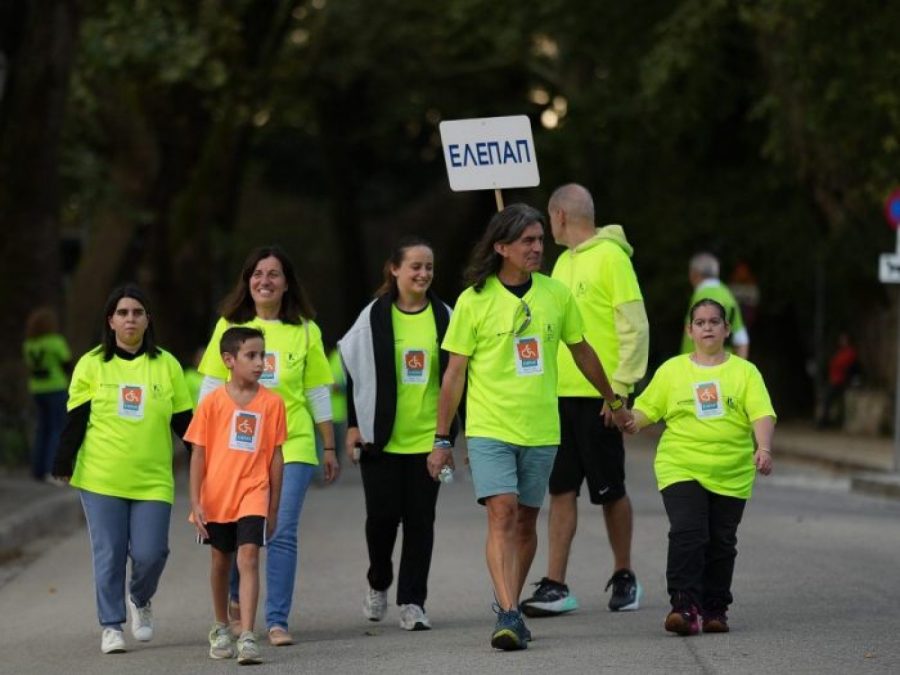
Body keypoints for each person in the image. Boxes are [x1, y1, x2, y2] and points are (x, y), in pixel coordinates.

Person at [428, 204, 631, 651]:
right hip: (489, 428)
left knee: (525, 522)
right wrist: (443, 439)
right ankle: (508, 612)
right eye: (527, 241)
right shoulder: (473, 300)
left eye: (540, 239)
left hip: (541, 429)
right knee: (501, 512)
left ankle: (509, 604)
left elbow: (581, 351)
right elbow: (454, 375)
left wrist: (613, 400)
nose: (538, 248)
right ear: (501, 247)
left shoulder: (556, 295)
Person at [197, 245, 337, 647]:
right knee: (241, 534)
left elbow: (316, 392)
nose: (265, 281)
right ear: (248, 281)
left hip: (291, 444)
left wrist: (328, 447)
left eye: (273, 274)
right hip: (237, 450)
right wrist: (203, 450)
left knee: (281, 531)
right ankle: (239, 597)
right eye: (257, 274)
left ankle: (276, 620)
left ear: (286, 283)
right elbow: (210, 387)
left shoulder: (306, 330)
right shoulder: (229, 324)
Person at [520, 184, 649, 619]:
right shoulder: (559, 265)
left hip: (600, 398)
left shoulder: (612, 257)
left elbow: (634, 325)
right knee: (561, 489)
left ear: (558, 215)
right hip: (557, 397)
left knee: (610, 489)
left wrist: (621, 390)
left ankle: (625, 575)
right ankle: (556, 584)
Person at [52, 284, 193, 654]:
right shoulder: (91, 364)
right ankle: (111, 625)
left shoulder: (167, 365)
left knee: (151, 554)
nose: (130, 318)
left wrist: (210, 461)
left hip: (153, 480)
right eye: (123, 313)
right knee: (110, 551)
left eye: (138, 312)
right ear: (110, 321)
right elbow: (76, 419)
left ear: (148, 320)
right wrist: (63, 461)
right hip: (101, 477)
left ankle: (140, 599)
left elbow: (185, 423)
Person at [626, 298, 775, 635]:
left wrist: (763, 447)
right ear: (689, 330)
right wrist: (627, 419)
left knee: (721, 541)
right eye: (700, 322)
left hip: (731, 471)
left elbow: (761, 413)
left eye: (714, 321)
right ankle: (683, 605)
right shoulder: (672, 371)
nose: (707, 327)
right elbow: (644, 411)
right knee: (688, 532)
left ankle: (714, 608)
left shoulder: (745, 372)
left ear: (726, 329)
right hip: (681, 465)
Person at [338, 236, 457, 632]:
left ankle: (412, 601)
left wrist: (450, 437)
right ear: (394, 270)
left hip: (429, 440)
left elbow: (460, 378)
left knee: (421, 522)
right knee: (382, 520)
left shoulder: (445, 316)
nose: (423, 274)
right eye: (415, 267)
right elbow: (357, 375)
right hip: (380, 440)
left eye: (429, 267)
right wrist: (353, 424)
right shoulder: (373, 317)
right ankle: (378, 580)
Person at [187, 327, 285, 664]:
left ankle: (246, 634)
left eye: (263, 355)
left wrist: (273, 507)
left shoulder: (272, 403)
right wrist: (195, 501)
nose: (260, 362)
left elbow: (275, 455)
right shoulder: (212, 402)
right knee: (220, 561)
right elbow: (198, 453)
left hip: (254, 491)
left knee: (249, 558)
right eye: (251, 356)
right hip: (216, 495)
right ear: (229, 360)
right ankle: (220, 626)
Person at [23, 306, 72, 482]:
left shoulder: (29, 345)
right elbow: (66, 362)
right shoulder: (55, 342)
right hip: (55, 388)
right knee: (56, 428)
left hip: (37, 389)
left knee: (42, 428)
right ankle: (51, 470)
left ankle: (37, 469)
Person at [680, 253, 749, 358]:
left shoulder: (701, 296)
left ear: (694, 274)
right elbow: (741, 339)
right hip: (723, 366)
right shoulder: (727, 295)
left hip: (698, 368)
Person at [817, 331, 860, 428]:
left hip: (840, 381)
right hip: (834, 379)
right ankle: (824, 419)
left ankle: (824, 421)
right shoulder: (840, 352)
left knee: (827, 398)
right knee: (826, 397)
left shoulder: (850, 352)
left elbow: (845, 366)